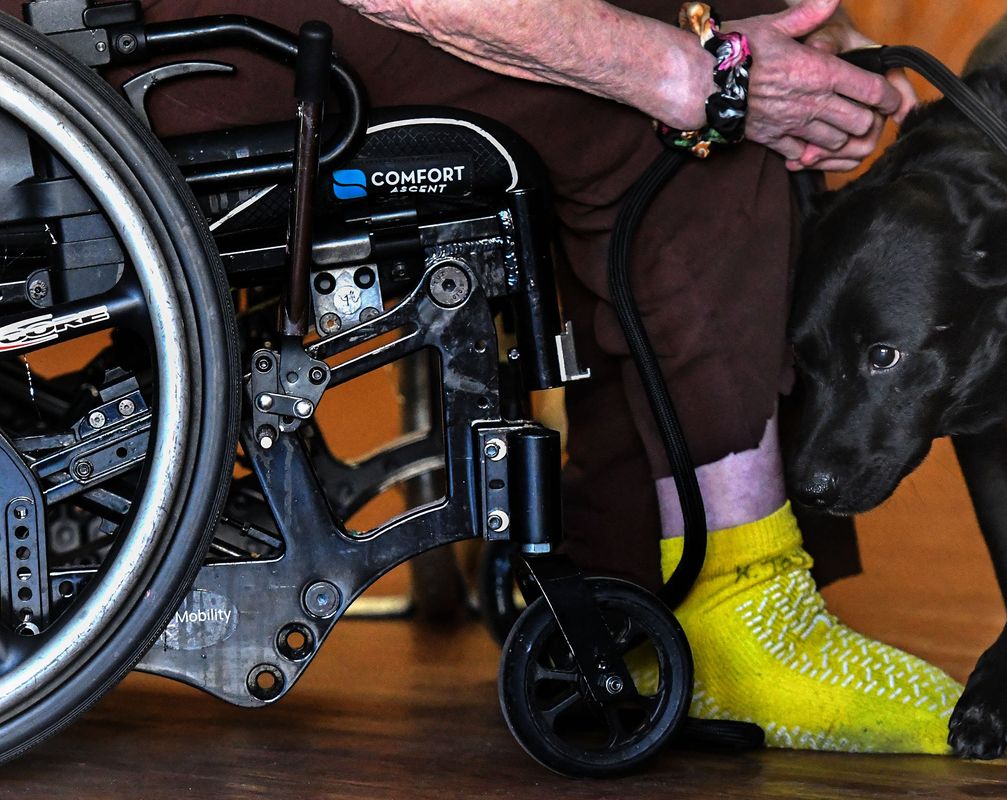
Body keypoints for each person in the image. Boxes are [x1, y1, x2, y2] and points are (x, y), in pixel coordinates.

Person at [83, 0, 962, 753]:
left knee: (715, 55)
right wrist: (702, 79)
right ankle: (742, 605)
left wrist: (802, 30)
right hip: (136, 35)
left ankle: (642, 600)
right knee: (671, 123)